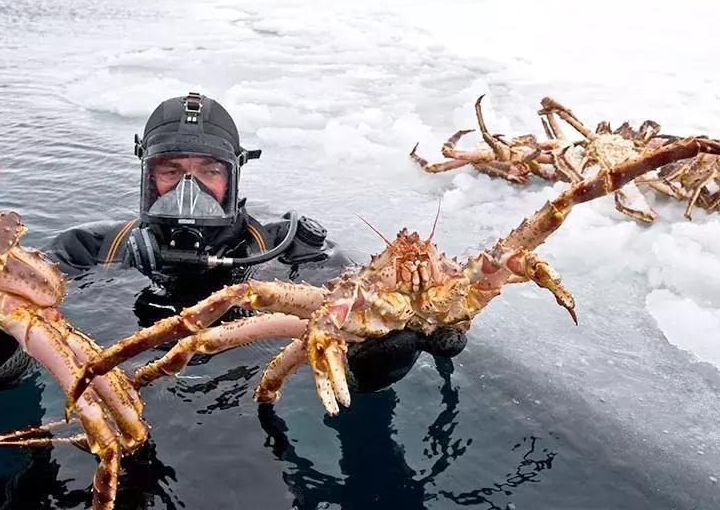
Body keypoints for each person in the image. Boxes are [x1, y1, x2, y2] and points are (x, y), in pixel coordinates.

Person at [47, 92, 467, 393]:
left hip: (242, 405)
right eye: (171, 172)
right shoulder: (86, 248)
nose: (188, 189)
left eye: (209, 171)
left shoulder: (292, 251)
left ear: (234, 175)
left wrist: (370, 358)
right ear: (148, 174)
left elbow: (347, 296)